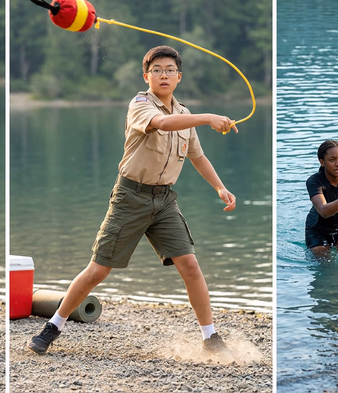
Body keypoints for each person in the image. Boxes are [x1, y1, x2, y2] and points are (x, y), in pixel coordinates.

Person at [26, 45, 239, 357]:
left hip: (164, 201)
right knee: (98, 271)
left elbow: (198, 156)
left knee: (190, 265)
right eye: (157, 70)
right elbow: (161, 124)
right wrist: (208, 117)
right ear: (146, 76)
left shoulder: (184, 114)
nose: (163, 75)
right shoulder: (140, 104)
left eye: (170, 70)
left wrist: (220, 188)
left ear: (179, 77)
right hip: (130, 197)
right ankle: (53, 326)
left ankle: (210, 337)